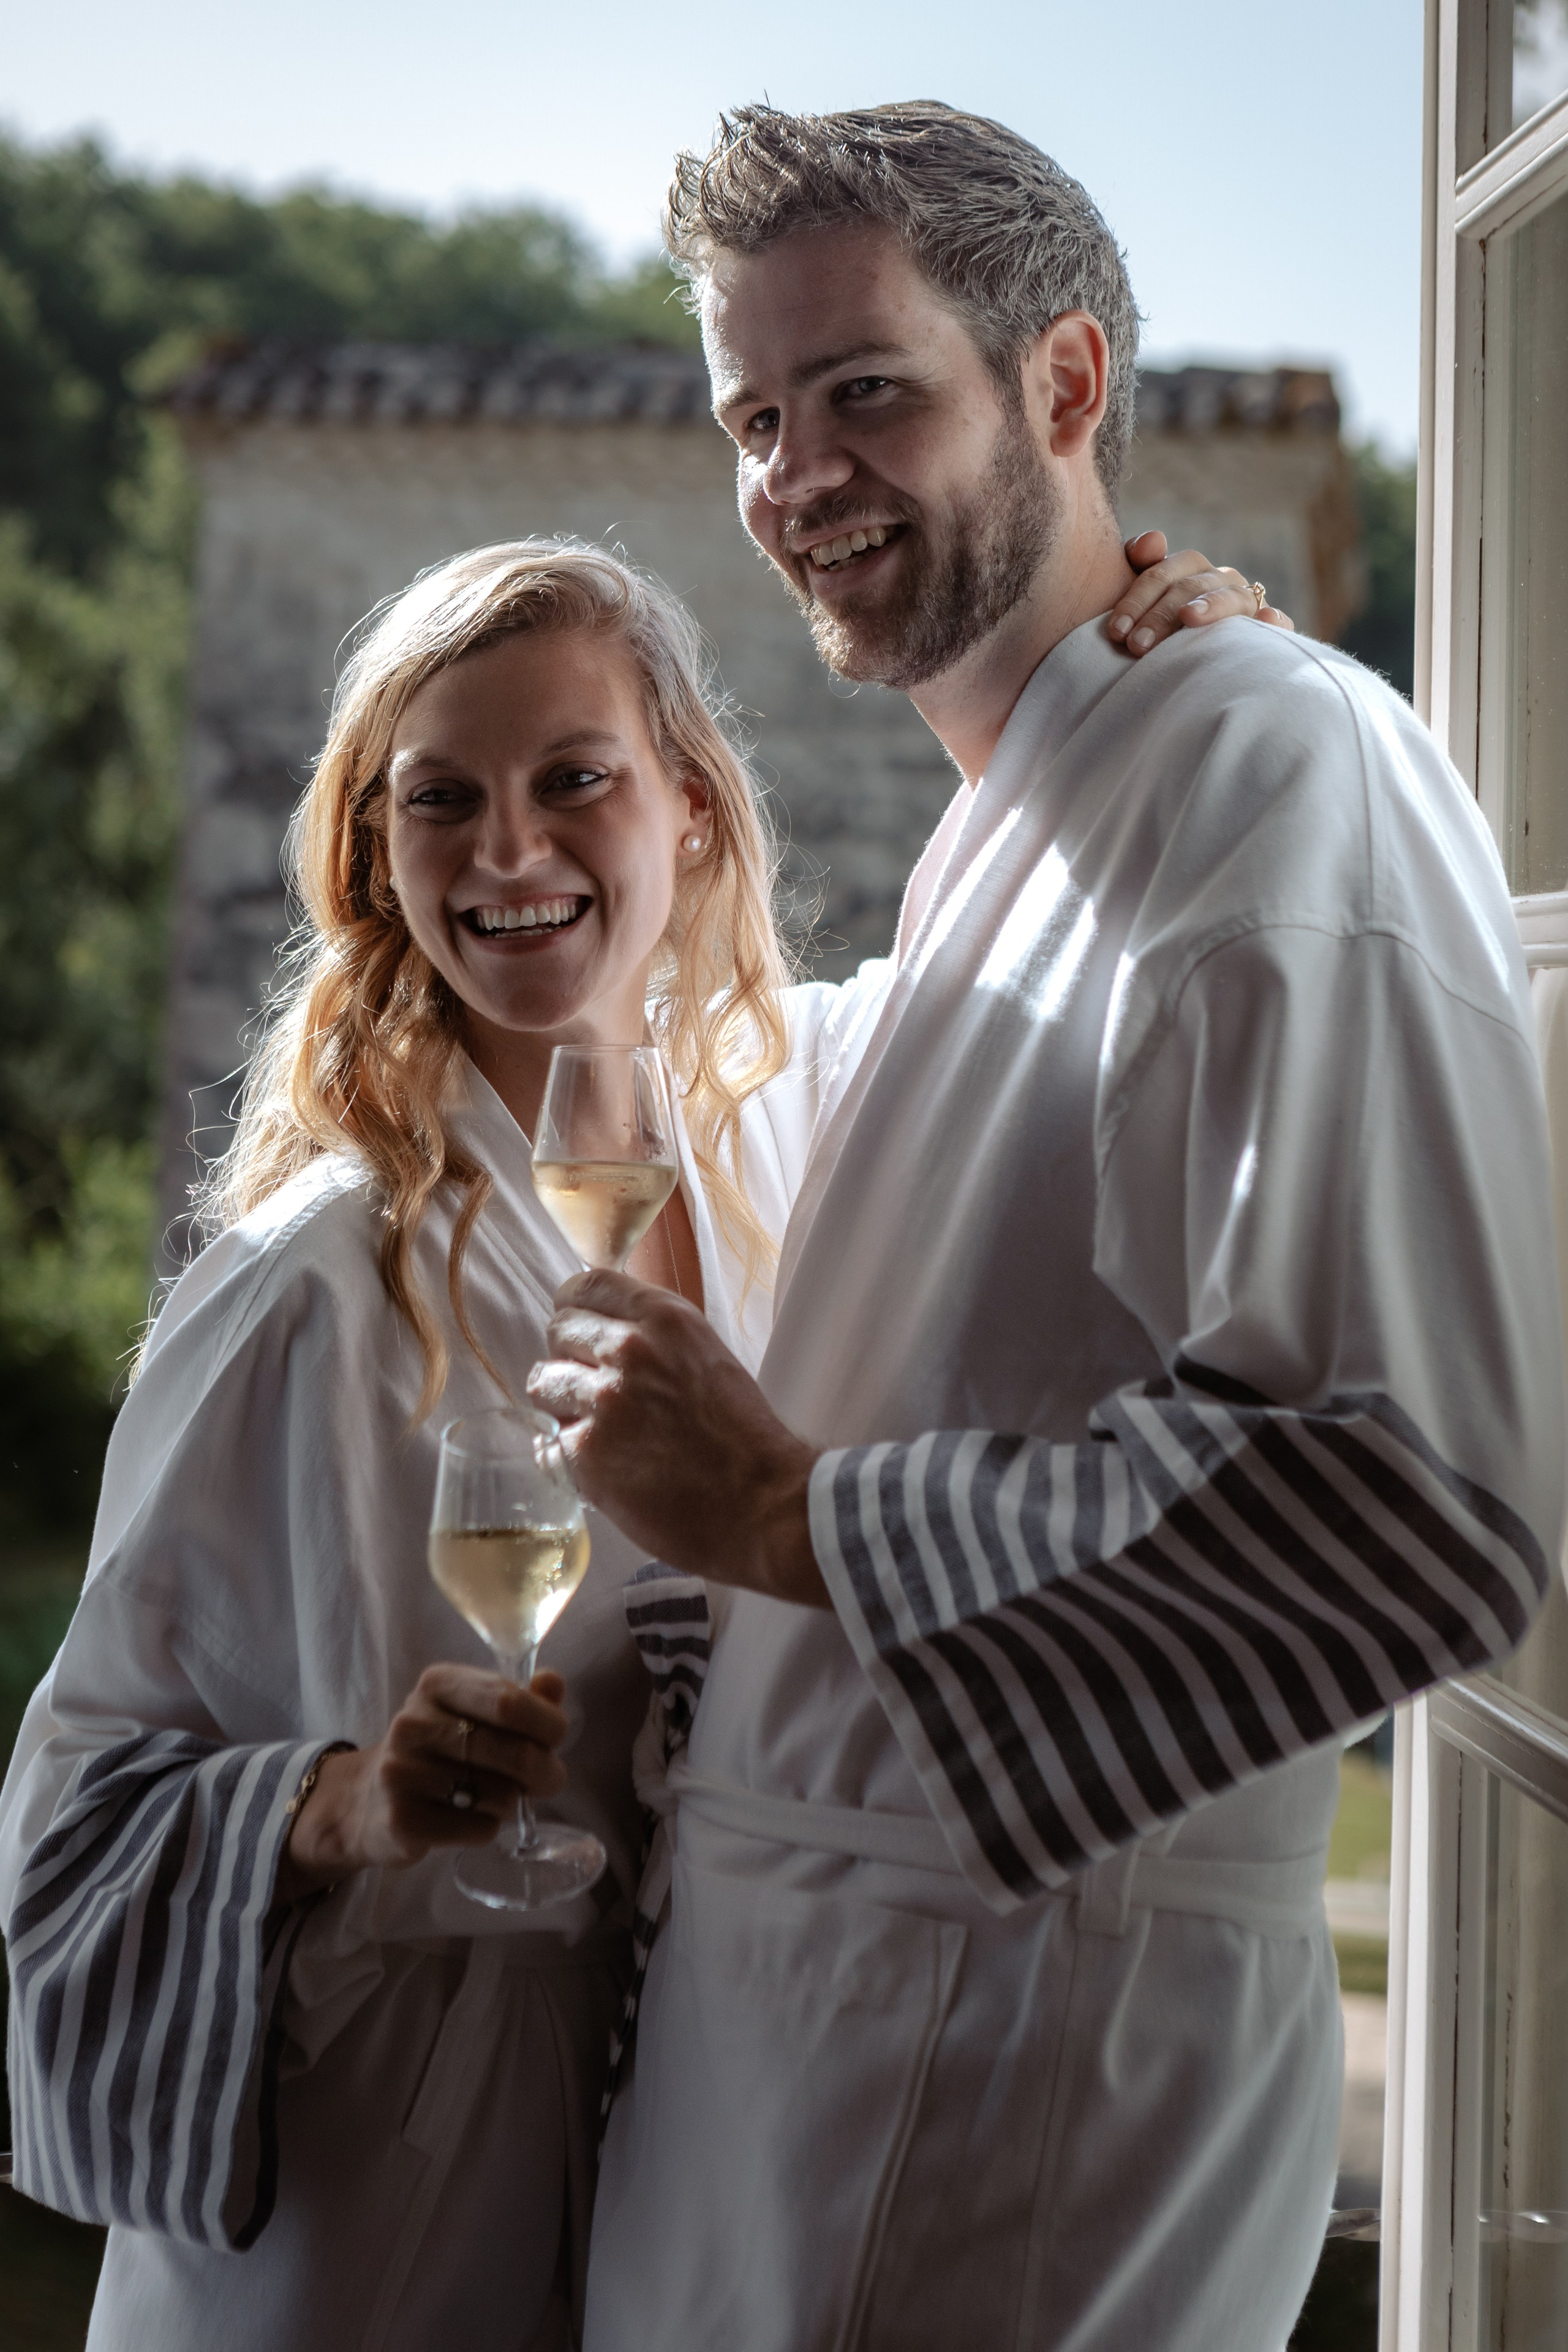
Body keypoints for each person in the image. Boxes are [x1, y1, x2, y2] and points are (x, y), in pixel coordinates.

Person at [529, 105, 1568, 2352]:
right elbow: (732, 1103)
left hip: (1013, 2098)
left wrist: (789, 1514)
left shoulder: (1273, 772)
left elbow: (1416, 1507)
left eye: (864, 390)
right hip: (816, 2062)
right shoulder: (1027, 821)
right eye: (754, 419)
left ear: (1065, 383)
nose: (796, 474)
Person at [0, 522, 1270, 2352]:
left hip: (688, 2145)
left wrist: (1170, 685)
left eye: (574, 779)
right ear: (377, 858)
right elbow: (69, 1818)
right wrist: (346, 1804)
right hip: (373, 2187)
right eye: (442, 801)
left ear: (690, 806)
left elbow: (1059, 959)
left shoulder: (788, 1150)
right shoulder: (315, 1284)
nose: (510, 852)